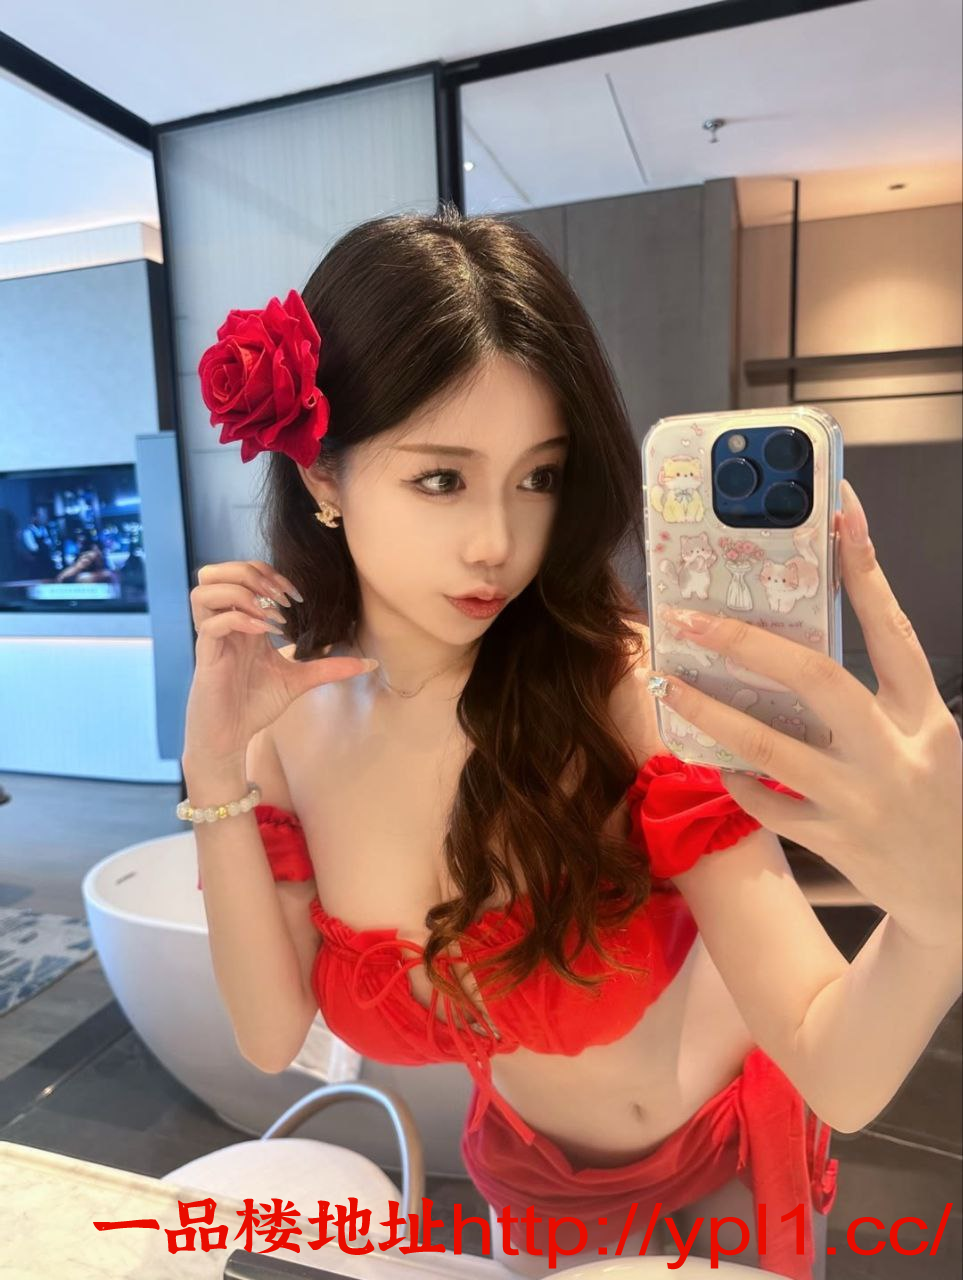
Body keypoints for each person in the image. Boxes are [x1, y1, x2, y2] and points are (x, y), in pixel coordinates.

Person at [181, 206, 962, 1280]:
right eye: (441, 478)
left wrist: (941, 911)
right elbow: (272, 1036)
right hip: (531, 1178)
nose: (499, 541)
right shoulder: (290, 727)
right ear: (322, 476)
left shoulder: (624, 691)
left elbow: (839, 1066)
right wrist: (214, 769)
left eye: (539, 476)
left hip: (724, 1159)